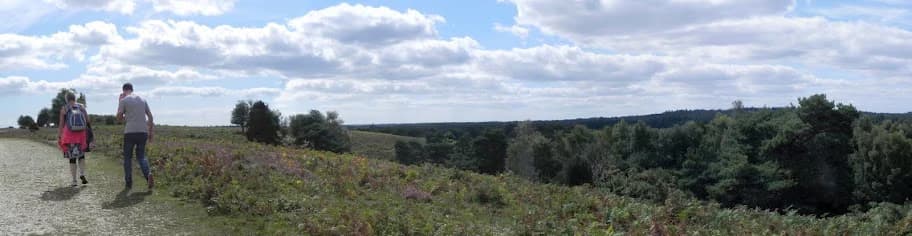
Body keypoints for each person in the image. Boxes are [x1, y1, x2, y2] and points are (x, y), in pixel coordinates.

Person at [116, 83, 155, 189]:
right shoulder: (143, 99)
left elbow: (119, 118)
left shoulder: (124, 100)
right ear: (132, 89)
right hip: (143, 132)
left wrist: (119, 102)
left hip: (130, 132)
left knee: (127, 158)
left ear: (124, 90)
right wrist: (151, 132)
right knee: (141, 156)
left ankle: (129, 182)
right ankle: (148, 175)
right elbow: (150, 116)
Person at [58, 93, 89, 187]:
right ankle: (82, 174)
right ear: (75, 98)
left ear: (66, 99)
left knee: (72, 159)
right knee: (81, 156)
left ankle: (74, 180)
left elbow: (61, 124)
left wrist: (59, 136)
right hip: (81, 136)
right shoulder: (81, 107)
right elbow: (87, 120)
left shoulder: (64, 108)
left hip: (69, 137)